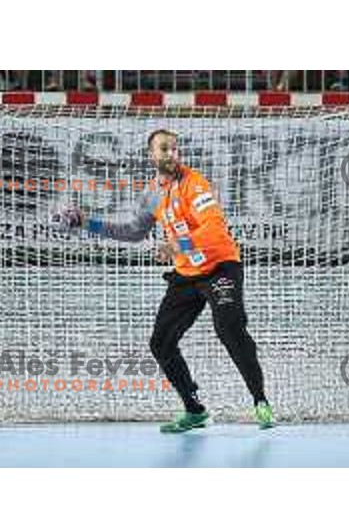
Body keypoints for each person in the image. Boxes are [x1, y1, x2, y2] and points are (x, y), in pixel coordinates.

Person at [56, 129, 273, 433]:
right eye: (163, 149)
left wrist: (177, 246)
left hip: (220, 266)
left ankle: (260, 402)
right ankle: (195, 410)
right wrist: (87, 222)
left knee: (229, 328)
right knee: (161, 343)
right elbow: (133, 231)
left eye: (174, 149)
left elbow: (214, 229)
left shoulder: (194, 184)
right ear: (151, 156)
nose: (170, 154)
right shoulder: (151, 194)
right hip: (186, 275)